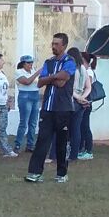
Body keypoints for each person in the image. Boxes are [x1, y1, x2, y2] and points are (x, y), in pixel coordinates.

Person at [25, 33, 76, 183]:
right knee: (42, 140)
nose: (53, 46)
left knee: (61, 143)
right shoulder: (49, 62)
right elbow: (40, 82)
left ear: (64, 46)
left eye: (57, 44)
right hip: (47, 108)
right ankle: (35, 173)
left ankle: (61, 174)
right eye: (52, 43)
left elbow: (62, 81)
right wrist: (54, 77)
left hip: (63, 109)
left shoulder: (70, 61)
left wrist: (49, 78)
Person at [63, 47, 92, 162]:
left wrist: (79, 98)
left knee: (66, 128)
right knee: (76, 129)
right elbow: (88, 87)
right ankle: (74, 155)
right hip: (80, 101)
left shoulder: (72, 69)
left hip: (72, 100)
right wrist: (83, 97)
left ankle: (63, 152)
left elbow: (70, 88)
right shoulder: (83, 69)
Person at [13, 55, 38, 153]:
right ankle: (18, 144)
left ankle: (30, 145)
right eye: (28, 63)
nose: (31, 64)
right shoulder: (19, 72)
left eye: (31, 62)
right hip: (25, 95)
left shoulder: (33, 71)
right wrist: (37, 73)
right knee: (24, 122)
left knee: (33, 122)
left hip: (35, 95)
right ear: (23, 64)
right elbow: (27, 82)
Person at [74, 52, 97, 159]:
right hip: (81, 100)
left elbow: (88, 86)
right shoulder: (83, 70)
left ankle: (88, 150)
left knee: (85, 126)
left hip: (85, 101)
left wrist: (81, 97)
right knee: (81, 126)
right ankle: (80, 148)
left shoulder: (88, 71)